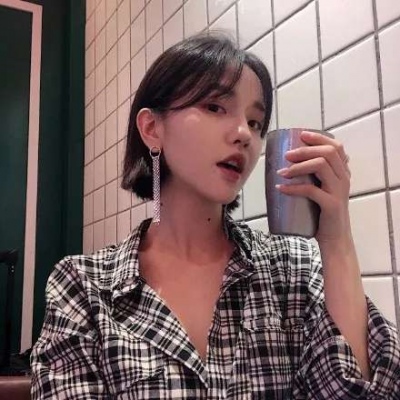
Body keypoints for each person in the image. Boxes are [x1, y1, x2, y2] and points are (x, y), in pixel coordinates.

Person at [31, 32, 400, 399]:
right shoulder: (84, 287)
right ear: (152, 129)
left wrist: (336, 238)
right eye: (214, 107)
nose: (244, 135)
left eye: (255, 122)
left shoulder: (293, 269)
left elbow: (358, 392)